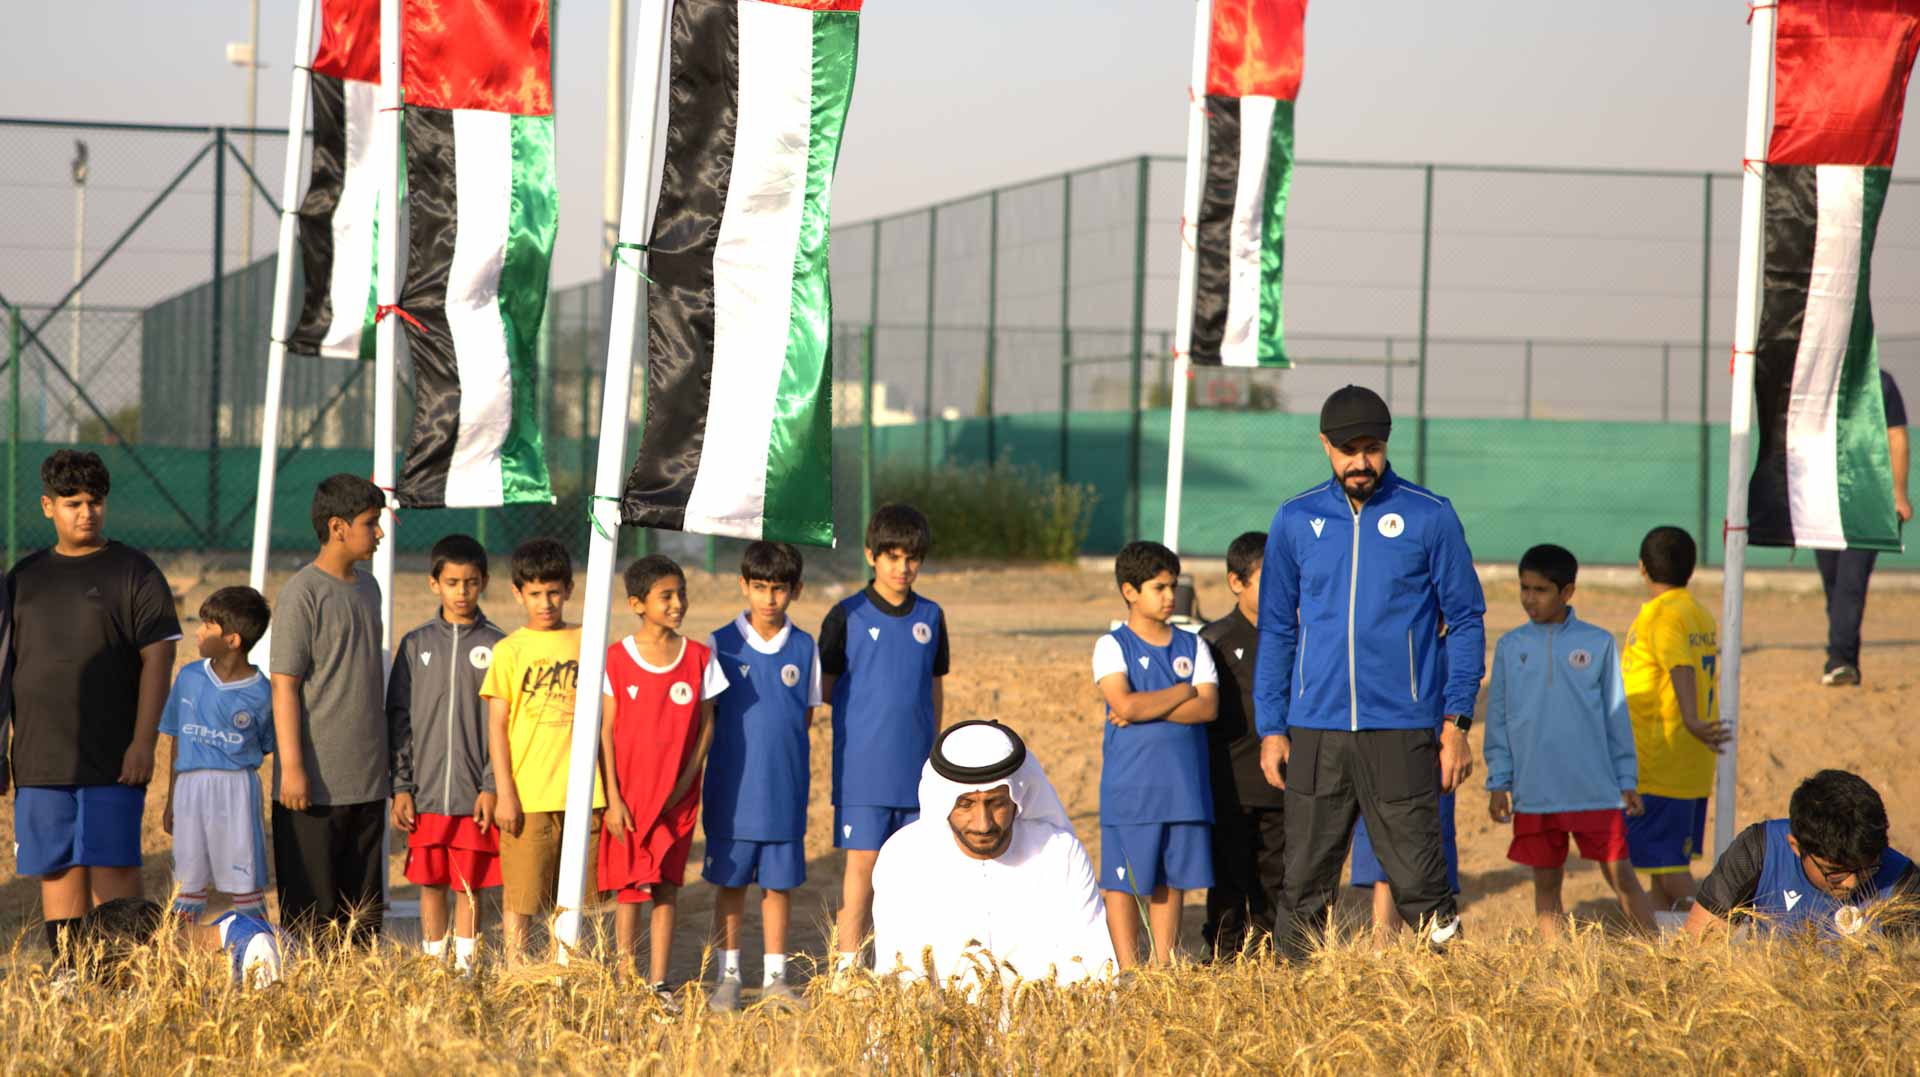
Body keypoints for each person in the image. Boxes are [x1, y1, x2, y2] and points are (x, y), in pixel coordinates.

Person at [1254, 385, 1486, 959]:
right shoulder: (1294, 519)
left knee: (1422, 885)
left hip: (1401, 730)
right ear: (1324, 446)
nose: (1360, 462)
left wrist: (1455, 724)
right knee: (1303, 884)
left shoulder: (1429, 516)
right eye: (1347, 449)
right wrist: (1272, 727)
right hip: (1316, 731)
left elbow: (1466, 620)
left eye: (1372, 448)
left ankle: (1456, 995)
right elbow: (1278, 629)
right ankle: (1291, 1010)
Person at [5, 450, 181, 969]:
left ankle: (126, 971)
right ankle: (69, 974)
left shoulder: (135, 571)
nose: (87, 512)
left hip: (113, 755)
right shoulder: (24, 578)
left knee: (115, 867)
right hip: (40, 757)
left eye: (96, 501)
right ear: (46, 506)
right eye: (73, 502)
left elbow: (159, 659)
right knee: (56, 870)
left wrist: (143, 742)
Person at [1483, 545, 1655, 936]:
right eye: (1524, 588)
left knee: (1622, 878)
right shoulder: (1510, 647)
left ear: (1568, 592)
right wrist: (1499, 782)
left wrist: (1626, 779)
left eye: (1541, 590)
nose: (1529, 598)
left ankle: (1661, 958)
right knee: (1546, 887)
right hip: (1536, 792)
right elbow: (1498, 721)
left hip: (1593, 790)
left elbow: (1616, 716)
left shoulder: (1597, 644)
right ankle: (1555, 972)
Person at [872, 720, 1115, 990]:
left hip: (1047, 1027)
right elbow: (901, 980)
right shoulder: (904, 858)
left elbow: (1090, 968)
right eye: (965, 804)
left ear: (1017, 798)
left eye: (996, 803)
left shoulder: (1060, 853)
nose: (983, 823)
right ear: (944, 801)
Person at [820, 503, 949, 973]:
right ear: (872, 556)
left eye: (912, 557)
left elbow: (933, 688)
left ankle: (906, 965)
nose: (903, 567)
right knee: (863, 871)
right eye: (893, 556)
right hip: (863, 772)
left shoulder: (932, 617)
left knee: (912, 873)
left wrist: (932, 751)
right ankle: (846, 969)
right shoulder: (846, 614)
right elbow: (828, 686)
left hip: (915, 772)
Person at [599, 554, 727, 1002]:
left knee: (667, 887)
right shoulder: (616, 658)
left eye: (681, 594)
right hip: (629, 801)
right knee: (630, 890)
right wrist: (613, 799)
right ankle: (622, 980)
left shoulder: (699, 657)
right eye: (666, 596)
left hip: (679, 800)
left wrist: (686, 780)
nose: (677, 604)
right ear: (637, 603)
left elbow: (707, 724)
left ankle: (658, 983)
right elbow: (605, 732)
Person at [703, 541, 823, 1010]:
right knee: (730, 884)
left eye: (778, 589)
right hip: (731, 791)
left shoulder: (804, 645)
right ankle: (728, 976)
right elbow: (708, 717)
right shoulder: (721, 643)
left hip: (783, 790)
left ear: (795, 590)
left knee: (779, 885)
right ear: (743, 586)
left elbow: (804, 717)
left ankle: (776, 978)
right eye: (759, 587)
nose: (769, 598)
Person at [270, 474, 389, 945]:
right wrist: (293, 770)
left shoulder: (370, 589)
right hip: (314, 789)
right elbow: (284, 688)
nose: (379, 533)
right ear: (338, 527)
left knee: (360, 922)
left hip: (366, 782)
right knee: (312, 923)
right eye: (371, 523)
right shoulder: (303, 593)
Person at [1095, 541, 1218, 968]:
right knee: (1125, 882)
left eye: (1173, 586)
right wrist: (1182, 692)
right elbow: (1124, 705)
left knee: (1171, 880)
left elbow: (1208, 707)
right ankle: (1129, 968)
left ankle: (1162, 966)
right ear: (1130, 591)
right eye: (1159, 588)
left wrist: (1150, 704)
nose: (1170, 597)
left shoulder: (1194, 645)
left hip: (1183, 788)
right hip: (1132, 788)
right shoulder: (1111, 646)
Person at [387, 534, 506, 972]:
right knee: (431, 881)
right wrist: (401, 786)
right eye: (452, 582)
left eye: (471, 582)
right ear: (434, 583)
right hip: (426, 794)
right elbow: (399, 720)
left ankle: (466, 969)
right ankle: (435, 965)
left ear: (484, 583)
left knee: (468, 884)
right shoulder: (416, 644)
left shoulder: (499, 645)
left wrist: (491, 786)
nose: (462, 592)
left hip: (474, 793)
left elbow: (505, 727)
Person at [482, 538, 601, 965]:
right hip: (528, 795)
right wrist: (506, 792)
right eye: (535, 593)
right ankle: (517, 966)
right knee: (523, 891)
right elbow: (497, 726)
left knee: (572, 893)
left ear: (569, 589)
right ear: (518, 594)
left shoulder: (589, 639)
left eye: (553, 591)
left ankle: (562, 964)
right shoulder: (509, 650)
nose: (545, 602)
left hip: (584, 793)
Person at [1623, 526, 1727, 911]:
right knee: (1661, 865)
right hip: (1689, 760)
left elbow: (1680, 666)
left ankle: (1717, 928)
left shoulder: (1661, 616)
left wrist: (1691, 718)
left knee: (1669, 871)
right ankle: (1662, 937)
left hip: (1662, 760)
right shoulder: (1697, 612)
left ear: (1642, 568)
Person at [1686, 769, 1918, 939]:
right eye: (1835, 873)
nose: (1851, 882)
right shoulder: (1758, 850)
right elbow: (1695, 954)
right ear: (1796, 847)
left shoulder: (1904, 883)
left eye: (1868, 867)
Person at [162, 586, 275, 924]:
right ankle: (178, 960)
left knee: (245, 885)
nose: (197, 631)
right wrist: (171, 799)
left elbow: (265, 744)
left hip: (236, 789)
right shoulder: (190, 677)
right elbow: (176, 739)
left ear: (232, 640)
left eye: (208, 625)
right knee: (187, 884)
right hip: (189, 789)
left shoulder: (261, 691)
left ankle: (258, 952)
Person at [1199, 531, 1284, 957]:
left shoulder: (1296, 635)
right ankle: (1222, 957)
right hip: (1229, 785)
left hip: (1283, 785)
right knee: (1229, 879)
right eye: (1268, 578)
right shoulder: (1211, 640)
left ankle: (1269, 958)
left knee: (1277, 878)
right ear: (1237, 582)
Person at [1817, 370, 1910, 687]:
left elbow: (1896, 436)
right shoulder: (1819, 379)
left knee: (1851, 582)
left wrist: (1898, 493)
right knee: (1833, 581)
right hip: (1824, 501)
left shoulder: (1881, 383)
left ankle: (1840, 659)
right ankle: (1845, 658)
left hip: (1870, 500)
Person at [68, 896, 286, 990]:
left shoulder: (258, 951)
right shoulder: (224, 937)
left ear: (154, 945)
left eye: (143, 980)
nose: (152, 989)